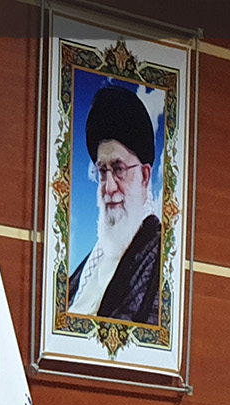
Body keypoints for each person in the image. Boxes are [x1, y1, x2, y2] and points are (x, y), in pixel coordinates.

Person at [67, 84, 162, 324]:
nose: (109, 187)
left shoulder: (159, 255)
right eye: (102, 171)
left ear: (145, 176)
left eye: (119, 169)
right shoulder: (96, 256)